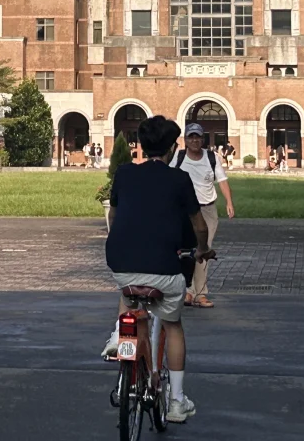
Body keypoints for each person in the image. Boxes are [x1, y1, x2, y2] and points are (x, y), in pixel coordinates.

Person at [101, 115, 214, 423]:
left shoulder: (123, 174)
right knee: (172, 324)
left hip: (121, 261)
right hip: (164, 268)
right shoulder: (179, 179)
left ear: (141, 145)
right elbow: (198, 224)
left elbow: (113, 213)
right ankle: (177, 401)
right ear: (172, 148)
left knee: (128, 294)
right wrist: (202, 250)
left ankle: (118, 336)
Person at [172, 123, 233, 308]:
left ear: (202, 139)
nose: (195, 140)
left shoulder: (211, 157)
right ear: (186, 140)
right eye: (191, 137)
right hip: (185, 211)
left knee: (204, 249)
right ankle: (189, 292)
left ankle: (200, 294)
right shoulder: (179, 157)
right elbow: (169, 177)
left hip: (207, 209)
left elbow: (222, 180)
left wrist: (229, 202)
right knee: (188, 252)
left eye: (198, 137)